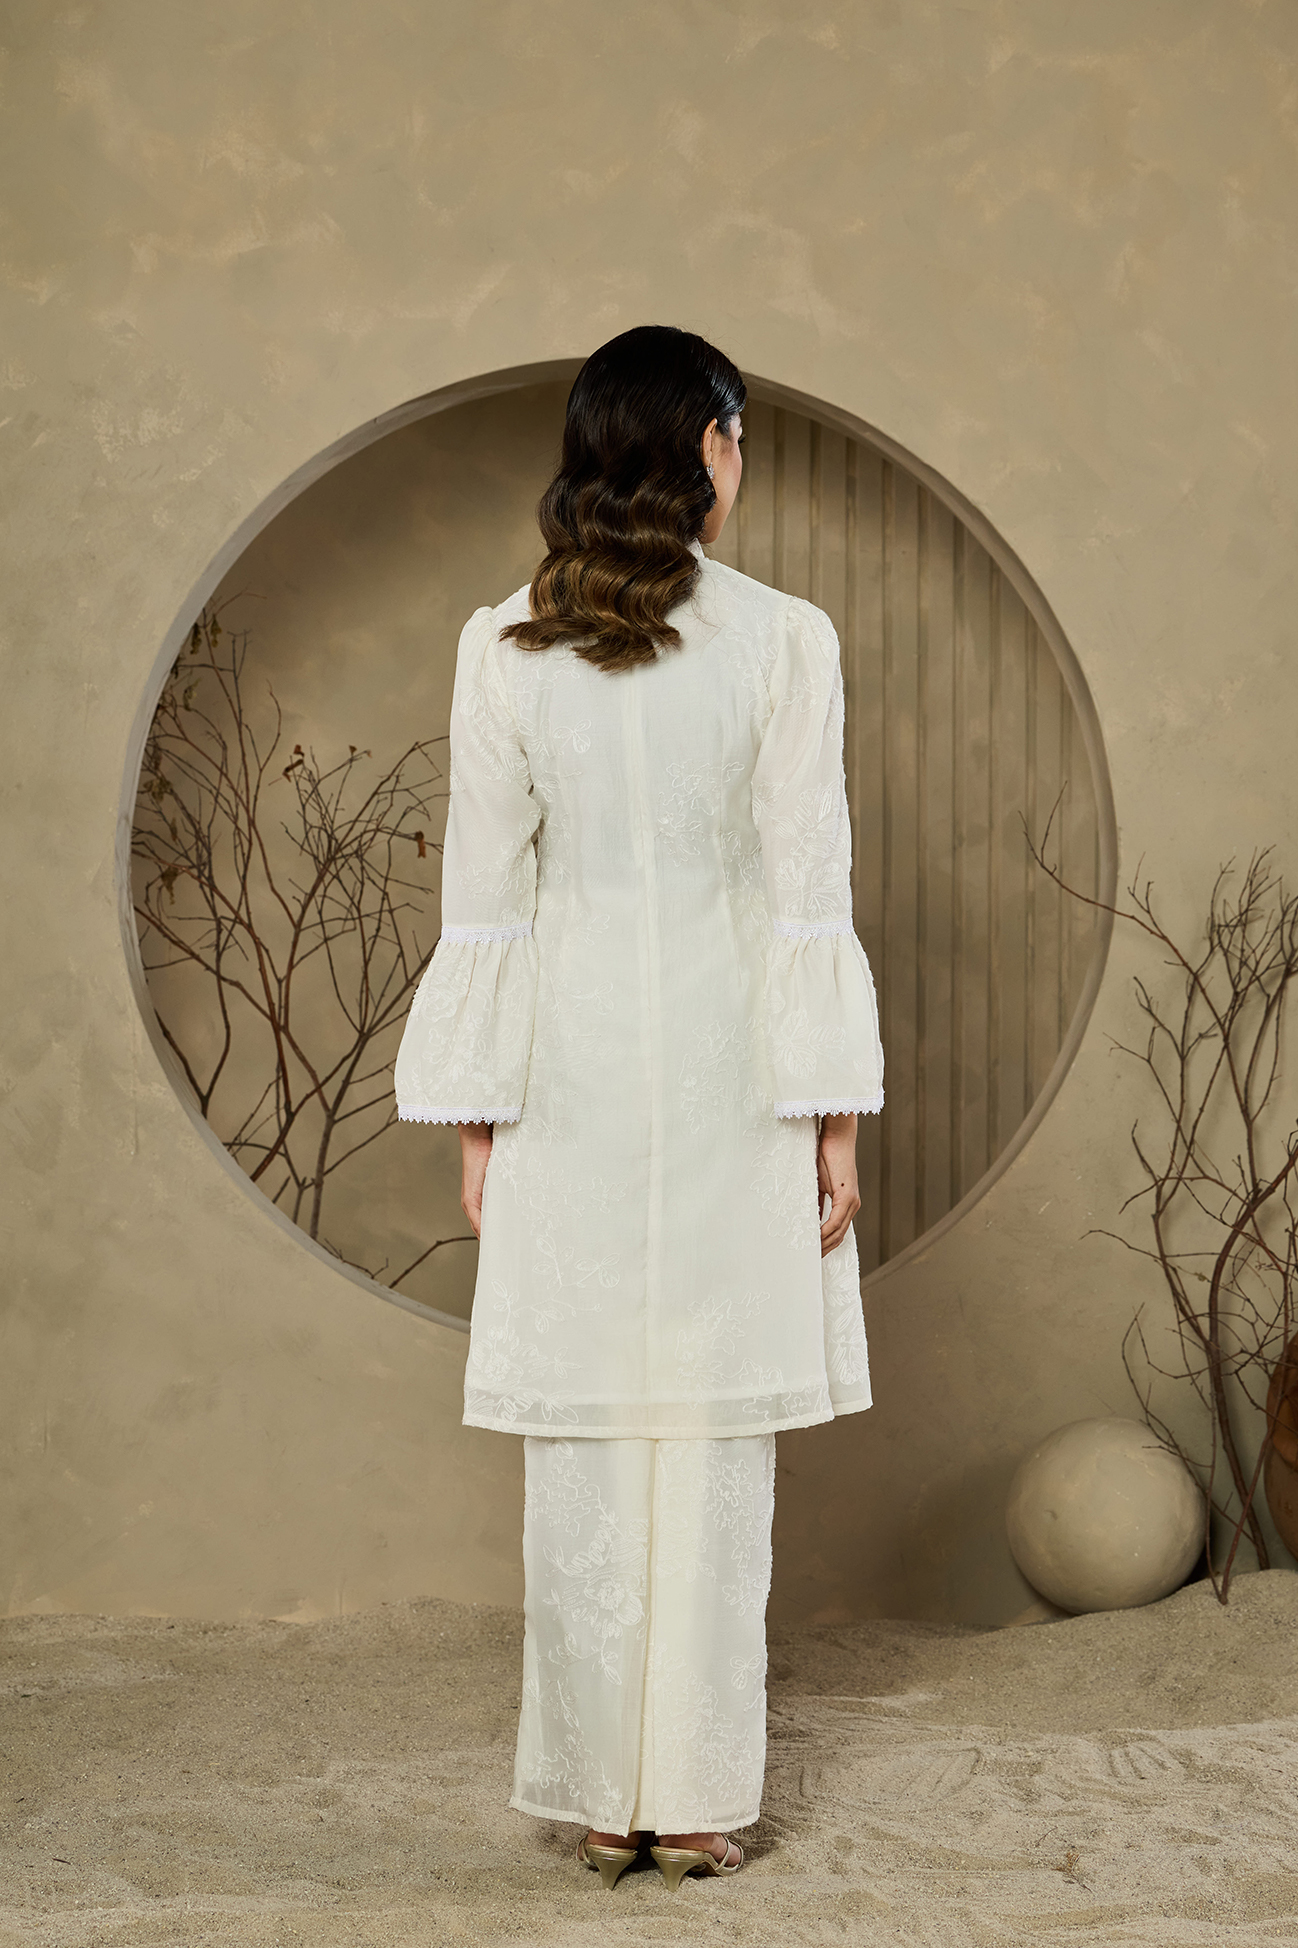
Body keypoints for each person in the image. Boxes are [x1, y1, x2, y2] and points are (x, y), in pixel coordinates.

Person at [393, 325, 884, 1892]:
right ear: (712, 446)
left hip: (570, 1073)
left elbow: (485, 899)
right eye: (739, 440)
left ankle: (612, 1799)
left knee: (590, 1442)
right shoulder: (785, 640)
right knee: (711, 1446)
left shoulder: (500, 644)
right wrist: (833, 1116)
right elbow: (807, 889)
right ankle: (698, 1800)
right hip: (735, 1071)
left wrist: (480, 1124)